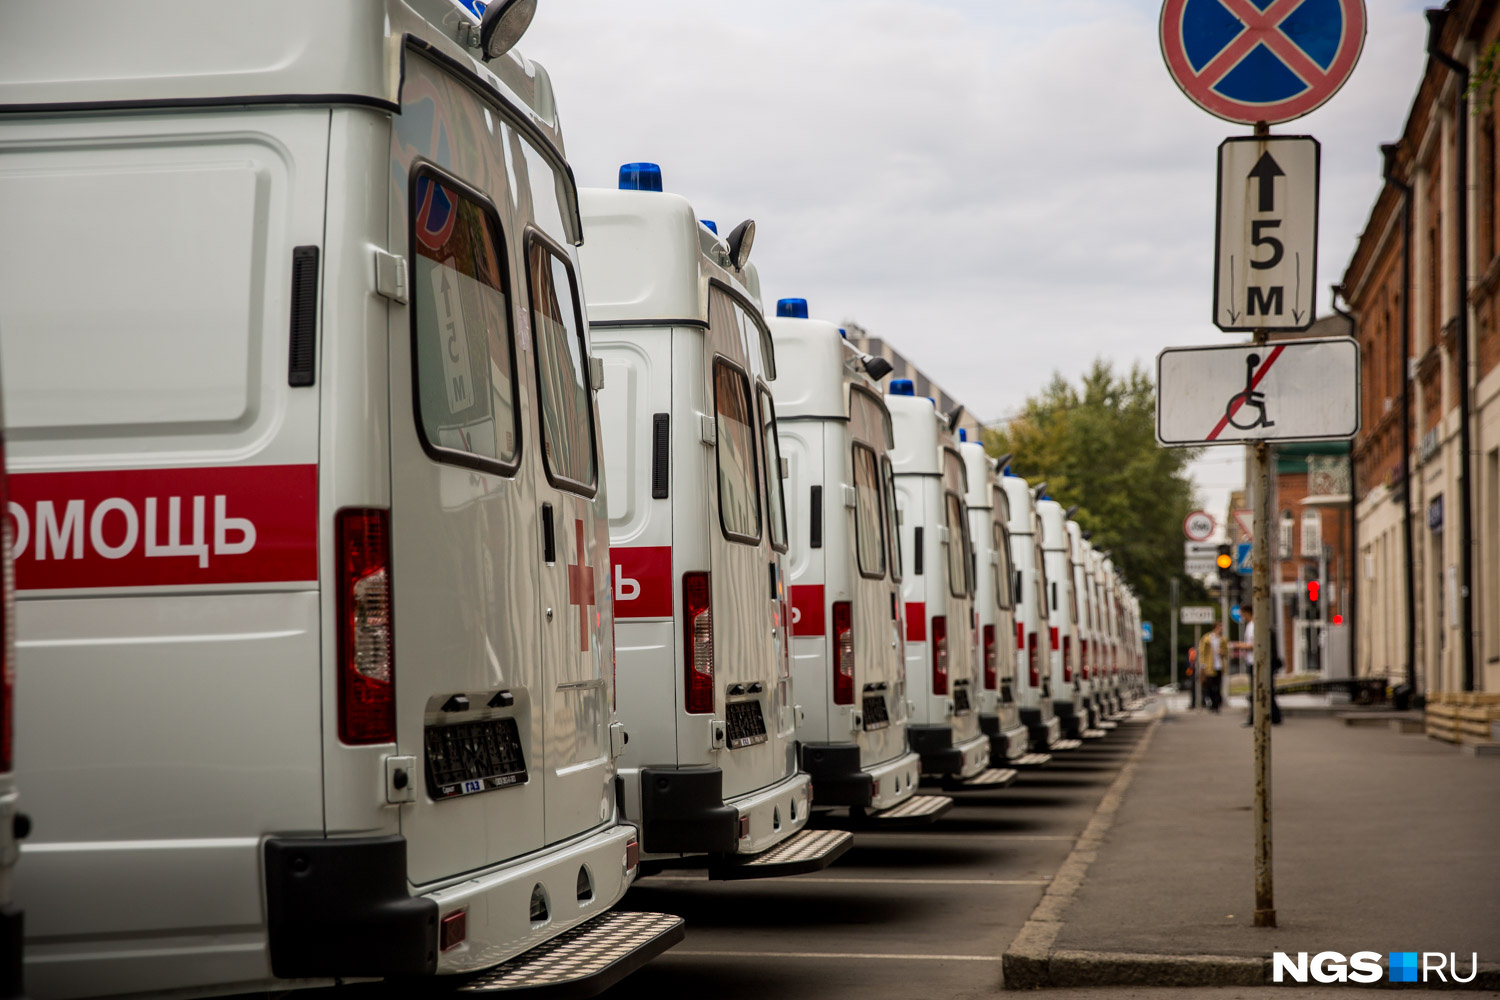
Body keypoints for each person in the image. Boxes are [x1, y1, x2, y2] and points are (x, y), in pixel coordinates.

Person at [1234, 606, 1281, 726]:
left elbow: (1255, 645)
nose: (1241, 617)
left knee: (1257, 690)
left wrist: (1239, 646)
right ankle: (1275, 716)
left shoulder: (1253, 626)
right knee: (1265, 690)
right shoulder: (1253, 625)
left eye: (1242, 614)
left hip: (1257, 662)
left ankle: (1255, 718)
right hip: (1256, 661)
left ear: (1247, 612)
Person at [1197, 623, 1224, 713]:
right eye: (1220, 627)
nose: (1221, 629)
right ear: (1215, 628)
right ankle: (1211, 703)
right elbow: (1202, 652)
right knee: (1209, 686)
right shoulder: (1207, 639)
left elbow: (1227, 651)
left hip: (1219, 665)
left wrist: (1222, 652)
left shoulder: (1222, 639)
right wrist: (1202, 665)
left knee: (1217, 686)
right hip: (1209, 665)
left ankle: (1216, 706)